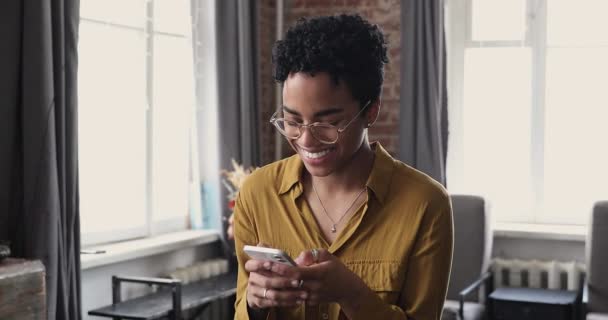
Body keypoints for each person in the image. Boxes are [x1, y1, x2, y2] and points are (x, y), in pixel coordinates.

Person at [233, 14, 453, 320]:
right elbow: (242, 312)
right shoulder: (257, 193)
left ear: (371, 111)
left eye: (329, 122)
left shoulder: (425, 204)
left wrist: (352, 295)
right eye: (293, 121)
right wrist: (256, 305)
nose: (306, 139)